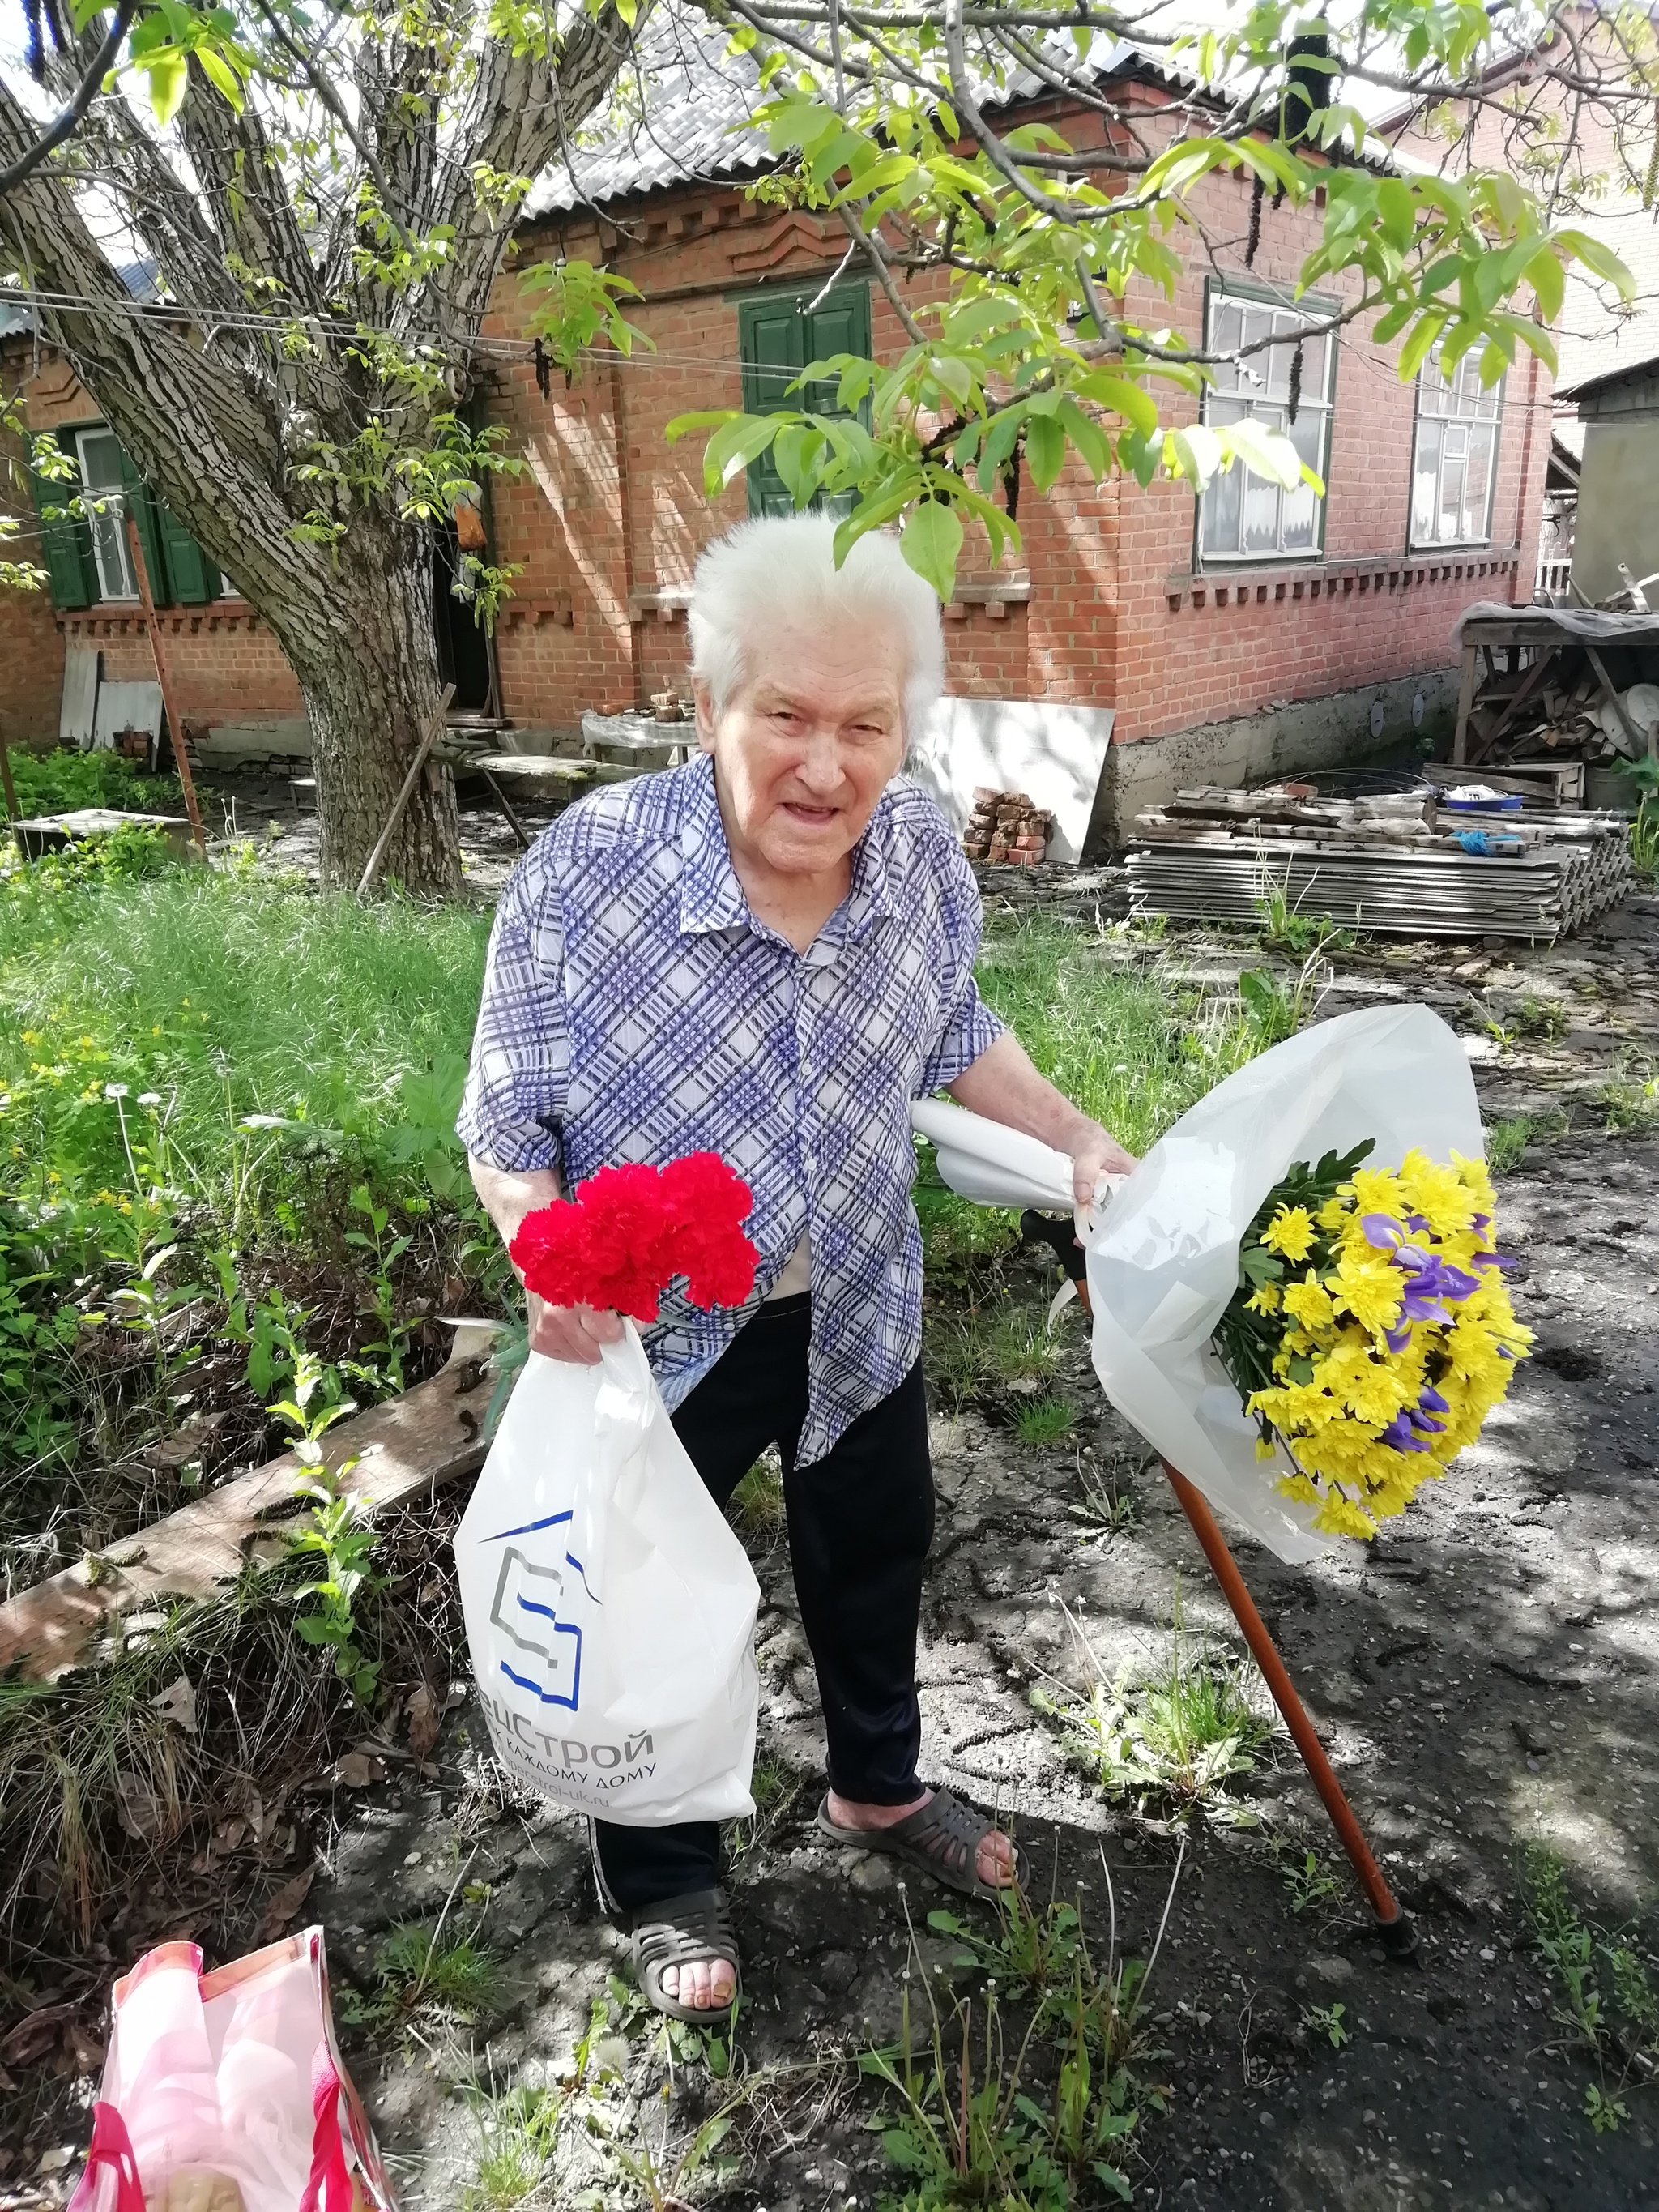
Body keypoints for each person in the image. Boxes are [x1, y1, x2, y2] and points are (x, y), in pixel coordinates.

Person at [458, 513, 1133, 2022]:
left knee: (875, 1545)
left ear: (907, 728)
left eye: (865, 723)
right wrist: (538, 1251)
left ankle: (877, 1787)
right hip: (660, 1339)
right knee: (643, 1595)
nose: (825, 765)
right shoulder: (592, 873)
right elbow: (505, 1113)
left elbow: (954, 1027)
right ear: (709, 708)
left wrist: (1082, 1132)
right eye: (787, 715)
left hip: (858, 1297)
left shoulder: (913, 858)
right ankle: (665, 1873)